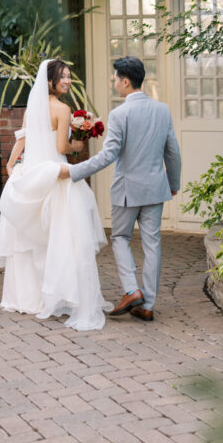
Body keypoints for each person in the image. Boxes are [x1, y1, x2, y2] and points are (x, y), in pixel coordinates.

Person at [59, 56, 181, 322]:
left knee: (121, 238)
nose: (114, 83)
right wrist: (173, 183)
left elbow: (108, 156)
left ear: (126, 81)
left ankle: (131, 290)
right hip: (155, 189)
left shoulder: (119, 114)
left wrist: (74, 171)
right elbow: (172, 152)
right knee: (153, 244)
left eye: (115, 79)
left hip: (127, 191)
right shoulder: (163, 110)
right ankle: (147, 304)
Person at [0, 58, 111, 331]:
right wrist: (81, 138)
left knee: (28, 238)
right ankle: (58, 295)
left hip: (34, 174)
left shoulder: (32, 108)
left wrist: (11, 164)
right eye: (63, 76)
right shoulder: (63, 108)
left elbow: (22, 139)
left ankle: (27, 298)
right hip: (54, 175)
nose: (67, 81)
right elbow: (63, 146)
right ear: (50, 81)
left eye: (69, 76)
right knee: (60, 238)